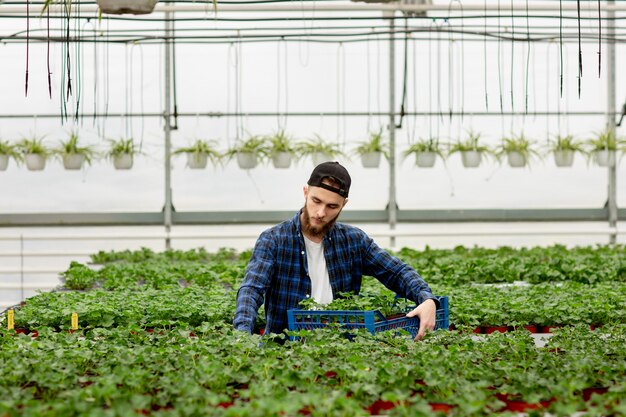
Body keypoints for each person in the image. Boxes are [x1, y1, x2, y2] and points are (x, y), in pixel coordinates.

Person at [233, 161, 439, 341]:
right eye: (316, 201)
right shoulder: (274, 240)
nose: (321, 213)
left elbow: (396, 271)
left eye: (332, 206)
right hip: (284, 351)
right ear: (306, 193)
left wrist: (427, 299)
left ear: (344, 205)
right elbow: (252, 290)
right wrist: (242, 335)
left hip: (341, 351)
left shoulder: (353, 241)